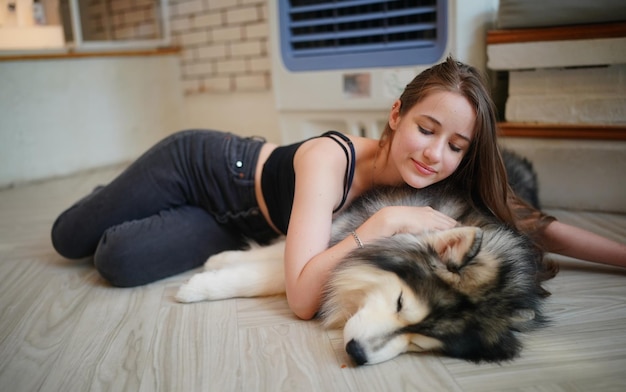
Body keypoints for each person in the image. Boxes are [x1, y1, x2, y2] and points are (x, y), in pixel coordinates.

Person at [51, 57, 626, 320]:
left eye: (455, 145)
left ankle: (155, 210)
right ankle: (126, 186)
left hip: (237, 222)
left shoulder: (444, 181)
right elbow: (302, 300)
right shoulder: (333, 158)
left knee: (117, 259)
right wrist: (382, 225)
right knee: (69, 236)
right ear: (397, 114)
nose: (434, 154)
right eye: (427, 129)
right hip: (202, 166)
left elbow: (539, 226)